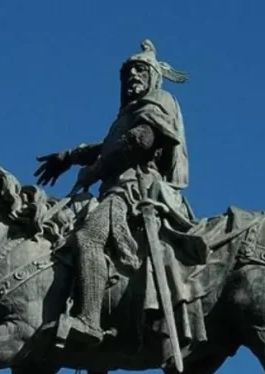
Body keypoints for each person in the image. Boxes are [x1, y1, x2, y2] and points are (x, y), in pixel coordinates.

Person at [34, 39, 195, 345]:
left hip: (133, 190)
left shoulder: (158, 102)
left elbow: (139, 141)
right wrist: (68, 157)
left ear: (152, 77)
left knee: (88, 238)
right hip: (115, 187)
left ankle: (89, 321)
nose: (133, 77)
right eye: (128, 73)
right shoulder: (128, 114)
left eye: (140, 71)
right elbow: (108, 146)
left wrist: (95, 171)